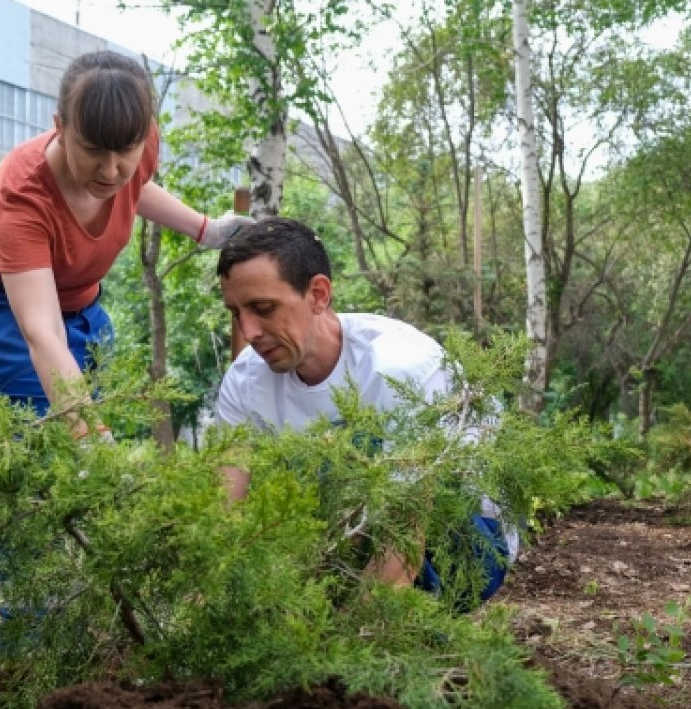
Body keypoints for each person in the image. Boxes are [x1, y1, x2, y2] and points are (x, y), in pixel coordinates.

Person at [213, 217, 516, 608]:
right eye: (236, 312)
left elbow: (404, 534)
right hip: (342, 535)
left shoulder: (401, 369)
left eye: (263, 308)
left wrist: (348, 646)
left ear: (318, 294)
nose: (249, 331)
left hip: (464, 540)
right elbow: (222, 509)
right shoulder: (244, 379)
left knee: (355, 449)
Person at [0, 50, 252, 429]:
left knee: (86, 411)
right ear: (60, 126)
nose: (110, 170)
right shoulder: (22, 195)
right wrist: (86, 434)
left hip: (81, 305)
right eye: (92, 151)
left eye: (126, 151)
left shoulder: (137, 139)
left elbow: (134, 187)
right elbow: (42, 329)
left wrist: (207, 230)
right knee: (50, 426)